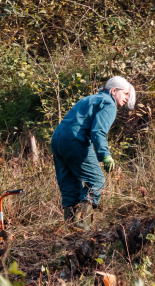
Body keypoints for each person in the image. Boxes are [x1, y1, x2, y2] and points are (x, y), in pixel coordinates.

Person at [51, 76, 135, 231]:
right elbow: (98, 132)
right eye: (125, 94)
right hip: (73, 140)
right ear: (114, 90)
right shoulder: (109, 103)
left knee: (69, 183)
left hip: (57, 139)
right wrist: (105, 155)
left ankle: (69, 229)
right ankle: (81, 224)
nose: (126, 98)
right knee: (96, 180)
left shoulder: (90, 98)